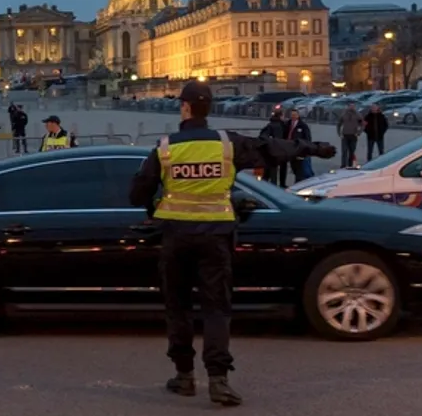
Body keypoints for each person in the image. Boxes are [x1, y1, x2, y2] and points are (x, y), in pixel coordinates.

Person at [128, 81, 336, 407]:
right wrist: (313, 149)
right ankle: (218, 380)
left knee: (178, 307)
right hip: (216, 237)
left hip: (176, 238)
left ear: (184, 108)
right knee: (216, 308)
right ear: (208, 108)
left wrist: (153, 206)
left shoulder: (165, 149)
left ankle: (184, 376)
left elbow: (137, 193)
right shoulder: (227, 145)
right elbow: (271, 149)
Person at [283, 108, 313, 185]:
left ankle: (298, 183)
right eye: (292, 115)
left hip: (298, 149)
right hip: (289, 148)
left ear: (298, 115)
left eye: (295, 115)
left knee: (299, 168)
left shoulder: (303, 126)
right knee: (293, 167)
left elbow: (307, 138)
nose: (293, 116)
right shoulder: (287, 124)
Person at [257, 111, 285, 185]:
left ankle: (263, 185)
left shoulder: (270, 125)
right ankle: (273, 187)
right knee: (273, 172)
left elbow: (262, 136)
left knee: (267, 171)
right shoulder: (279, 126)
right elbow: (279, 139)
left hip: (268, 151)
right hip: (275, 151)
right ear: (280, 116)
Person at [336, 101, 364, 168]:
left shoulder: (358, 115)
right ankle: (343, 164)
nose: (351, 107)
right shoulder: (344, 114)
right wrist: (339, 133)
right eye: (350, 106)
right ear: (348, 107)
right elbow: (339, 124)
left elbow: (363, 124)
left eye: (353, 106)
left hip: (353, 135)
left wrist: (359, 132)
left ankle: (350, 164)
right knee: (344, 151)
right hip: (345, 135)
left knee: (352, 151)